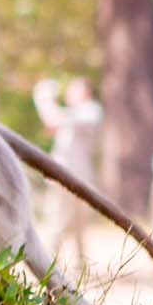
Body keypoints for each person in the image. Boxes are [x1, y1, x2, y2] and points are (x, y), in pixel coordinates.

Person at [33, 76, 103, 270]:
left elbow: (55, 118)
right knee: (57, 220)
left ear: (86, 92)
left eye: (74, 89)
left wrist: (43, 98)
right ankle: (49, 262)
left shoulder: (91, 111)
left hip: (79, 176)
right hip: (61, 177)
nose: (69, 94)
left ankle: (79, 263)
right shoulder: (72, 115)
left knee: (78, 223)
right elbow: (52, 124)